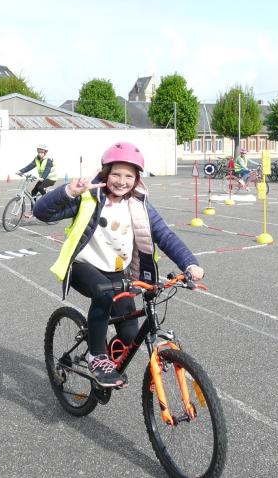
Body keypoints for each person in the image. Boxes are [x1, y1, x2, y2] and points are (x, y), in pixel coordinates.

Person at [34, 142, 204, 388]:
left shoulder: (139, 205)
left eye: (129, 176)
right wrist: (68, 191)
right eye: (116, 174)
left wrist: (189, 264)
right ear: (105, 173)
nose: (121, 181)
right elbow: (41, 213)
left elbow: (165, 236)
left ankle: (106, 363)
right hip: (84, 266)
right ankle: (96, 357)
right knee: (103, 294)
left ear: (136, 180)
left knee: (129, 335)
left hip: (119, 273)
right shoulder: (88, 198)